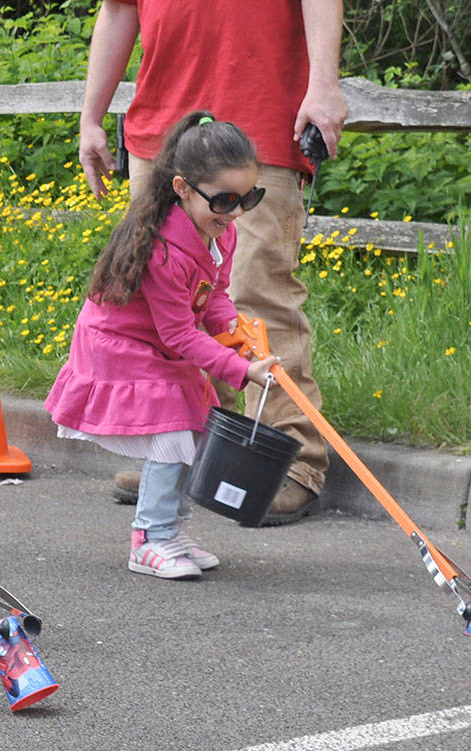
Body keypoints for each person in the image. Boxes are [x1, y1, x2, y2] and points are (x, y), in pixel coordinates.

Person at [77, 0, 348, 524]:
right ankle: (185, 453)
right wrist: (91, 117)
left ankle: (291, 461)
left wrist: (324, 84)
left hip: (261, 126)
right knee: (167, 306)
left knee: (255, 295)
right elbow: (117, 11)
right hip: (164, 135)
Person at [46, 114, 279, 579]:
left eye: (248, 198)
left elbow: (212, 299)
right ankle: (149, 538)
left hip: (160, 345)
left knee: (194, 429)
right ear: (183, 188)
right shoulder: (163, 251)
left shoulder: (220, 233)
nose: (235, 212)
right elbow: (178, 333)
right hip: (119, 346)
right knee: (172, 430)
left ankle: (170, 530)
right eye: (225, 200)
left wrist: (237, 331)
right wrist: (238, 369)